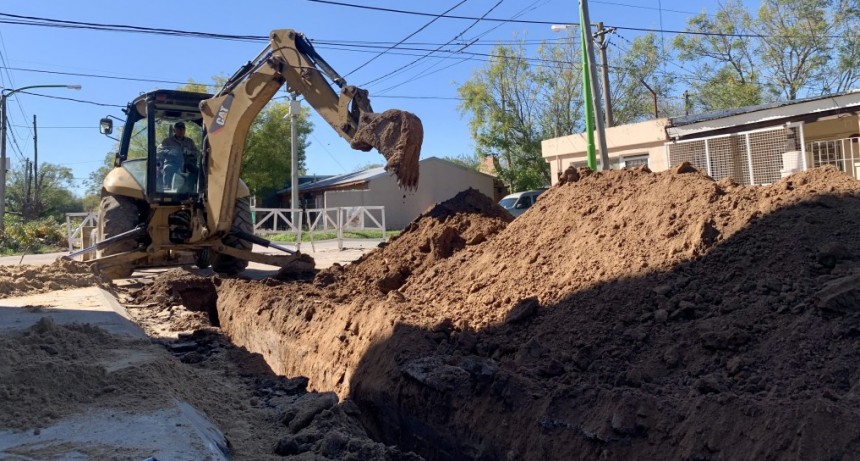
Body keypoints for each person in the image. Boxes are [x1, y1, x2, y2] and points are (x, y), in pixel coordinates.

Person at [159, 121, 199, 190]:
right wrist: (169, 152)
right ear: (174, 130)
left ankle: (193, 190)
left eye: (183, 129)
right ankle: (167, 188)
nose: (181, 131)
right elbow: (158, 151)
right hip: (172, 163)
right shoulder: (167, 141)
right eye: (179, 129)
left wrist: (190, 152)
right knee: (168, 168)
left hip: (187, 163)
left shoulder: (189, 141)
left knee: (197, 171)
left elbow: (197, 153)